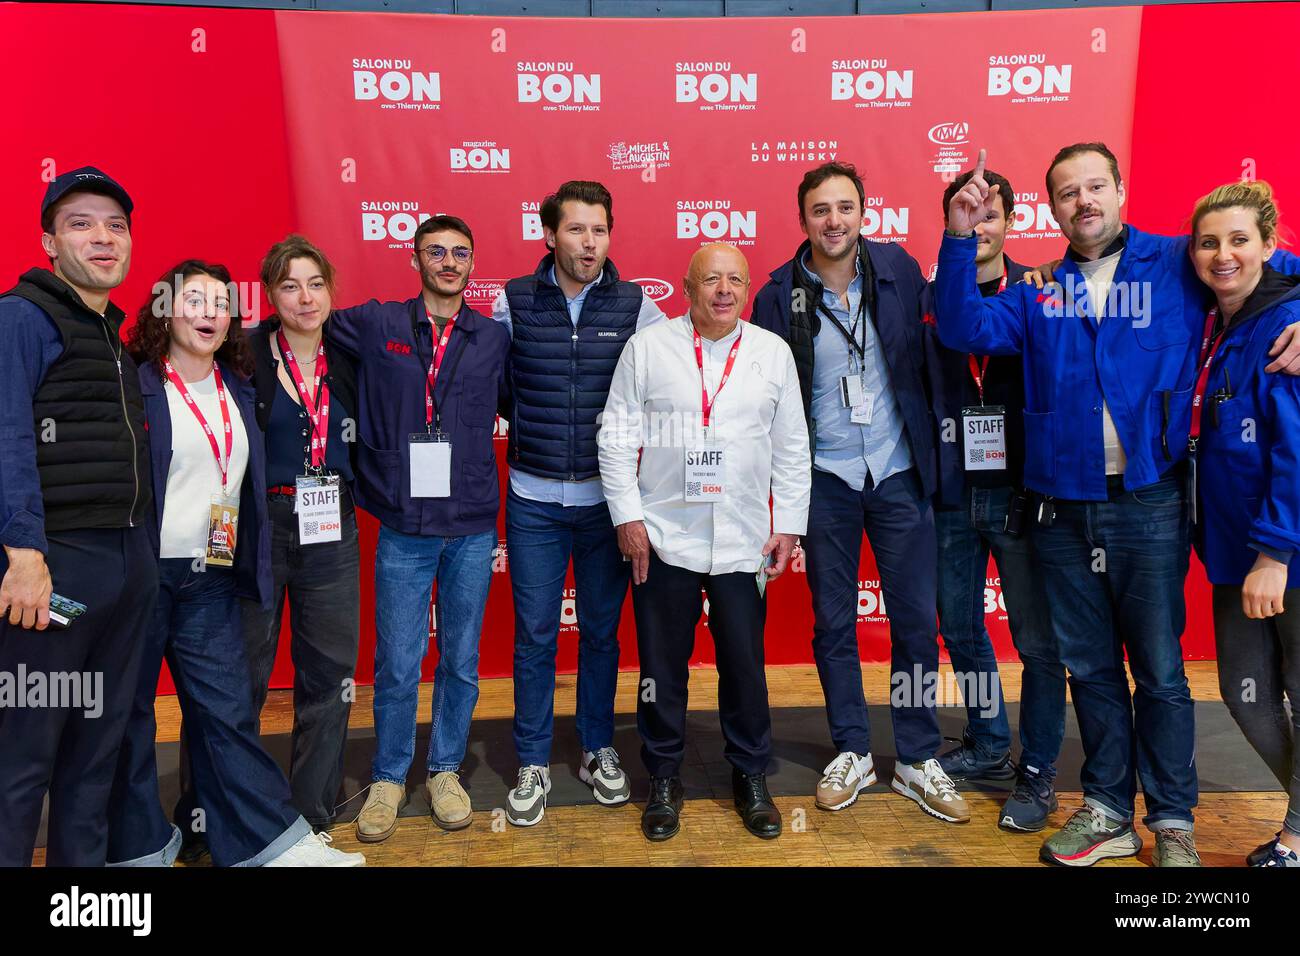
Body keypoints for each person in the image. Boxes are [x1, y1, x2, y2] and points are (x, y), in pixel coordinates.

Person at [935, 144, 1300, 867]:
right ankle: (1107, 809)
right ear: (1054, 208)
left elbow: (1271, 272)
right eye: (1067, 193)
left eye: (1095, 185)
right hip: (1060, 512)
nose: (1084, 201)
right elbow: (963, 328)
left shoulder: (1179, 261)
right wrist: (957, 239)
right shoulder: (1039, 285)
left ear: (1122, 190)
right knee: (1092, 669)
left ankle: (1171, 819)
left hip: (1150, 506)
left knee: (1161, 673)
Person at [107, 260, 362, 867]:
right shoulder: (135, 384)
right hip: (142, 577)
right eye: (192, 300)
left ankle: (271, 844)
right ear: (165, 310)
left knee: (226, 715)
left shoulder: (237, 386)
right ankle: (139, 846)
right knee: (128, 717)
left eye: (220, 303)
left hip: (211, 578)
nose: (207, 313)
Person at [751, 161, 969, 824]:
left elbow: (942, 352)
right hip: (826, 482)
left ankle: (916, 755)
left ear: (863, 212)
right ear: (804, 219)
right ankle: (850, 748)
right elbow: (766, 398)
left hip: (900, 472)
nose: (834, 220)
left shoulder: (900, 270)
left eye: (845, 207)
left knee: (913, 623)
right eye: (821, 210)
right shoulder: (777, 294)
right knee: (834, 623)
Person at [599, 243, 809, 841]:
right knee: (662, 668)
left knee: (745, 666)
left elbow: (793, 445)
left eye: (735, 280)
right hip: (664, 539)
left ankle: (750, 775)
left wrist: (788, 523)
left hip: (743, 540)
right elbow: (615, 438)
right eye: (711, 279)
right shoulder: (648, 349)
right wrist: (628, 519)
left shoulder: (771, 353)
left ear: (747, 290)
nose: (724, 290)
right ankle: (663, 777)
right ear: (686, 287)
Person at [327, 216, 510, 840]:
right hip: (404, 525)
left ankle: (445, 769)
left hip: (472, 524)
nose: (449, 262)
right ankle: (387, 775)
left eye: (461, 252)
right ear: (415, 260)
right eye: (436, 252)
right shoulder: (378, 323)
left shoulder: (493, 337)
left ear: (473, 263)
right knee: (400, 660)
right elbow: (306, 325)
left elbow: (517, 401)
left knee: (460, 659)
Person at [491, 180, 666, 826]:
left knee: (599, 633)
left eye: (599, 230)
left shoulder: (635, 306)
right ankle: (534, 759)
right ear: (549, 236)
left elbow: (661, 388)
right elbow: (500, 385)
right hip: (532, 497)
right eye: (576, 230)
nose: (589, 242)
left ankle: (598, 748)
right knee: (534, 637)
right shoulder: (514, 301)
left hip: (606, 504)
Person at [0, 168, 156, 866]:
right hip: (55, 572)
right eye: (81, 223)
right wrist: (24, 556)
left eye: (115, 225)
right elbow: (4, 435)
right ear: (47, 241)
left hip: (124, 570)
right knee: (23, 759)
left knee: (94, 759)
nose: (102, 237)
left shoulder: (108, 331)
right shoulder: (22, 316)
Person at [922, 167, 1066, 833]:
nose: (980, 228)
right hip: (953, 492)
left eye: (992, 216)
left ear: (1010, 222)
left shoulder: (1042, 289)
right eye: (968, 216)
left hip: (1021, 495)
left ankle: (1038, 768)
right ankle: (986, 744)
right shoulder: (932, 299)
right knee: (960, 627)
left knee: (1038, 641)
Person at [1188, 181, 1300, 868]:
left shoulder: (1286, 328)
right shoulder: (1214, 321)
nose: (1223, 254)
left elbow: (1295, 450)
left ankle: (1294, 837)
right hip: (1233, 554)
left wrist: (1277, 555)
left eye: (1238, 239)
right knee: (1244, 692)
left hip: (1281, 553)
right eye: (1209, 242)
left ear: (1269, 245)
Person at [240, 235, 361, 831]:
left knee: (329, 673)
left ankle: (312, 814)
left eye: (315, 284)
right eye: (290, 285)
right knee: (241, 676)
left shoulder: (349, 358)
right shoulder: (243, 354)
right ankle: (224, 811)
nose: (305, 297)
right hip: (260, 526)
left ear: (331, 291)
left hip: (331, 524)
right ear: (270, 294)